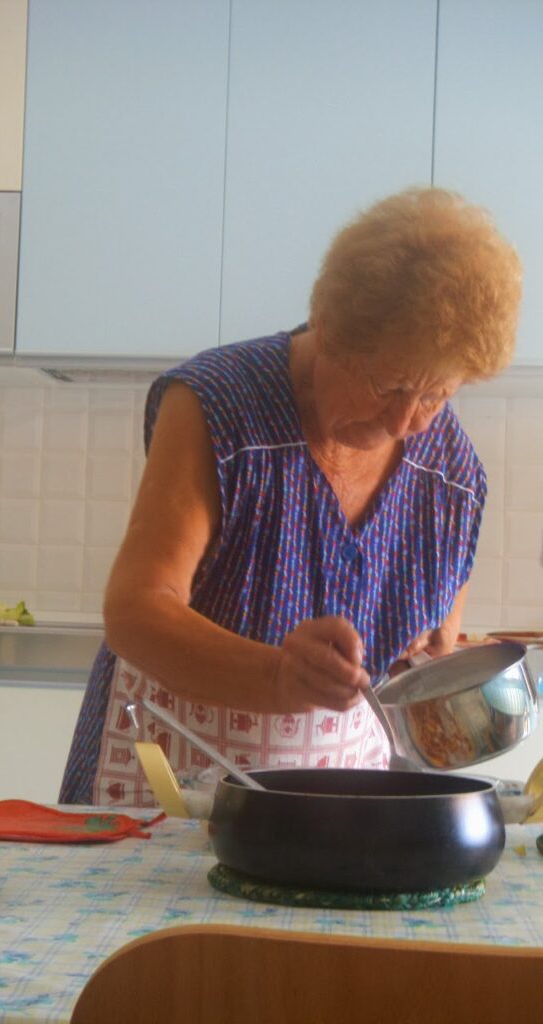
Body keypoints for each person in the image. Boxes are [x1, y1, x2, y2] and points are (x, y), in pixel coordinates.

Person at [60, 187, 522, 806]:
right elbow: (135, 610)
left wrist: (432, 662)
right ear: (327, 330)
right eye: (387, 385)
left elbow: (429, 649)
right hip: (169, 789)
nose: (403, 421)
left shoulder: (451, 476)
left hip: (338, 806)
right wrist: (277, 675)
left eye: (436, 396)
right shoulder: (219, 406)